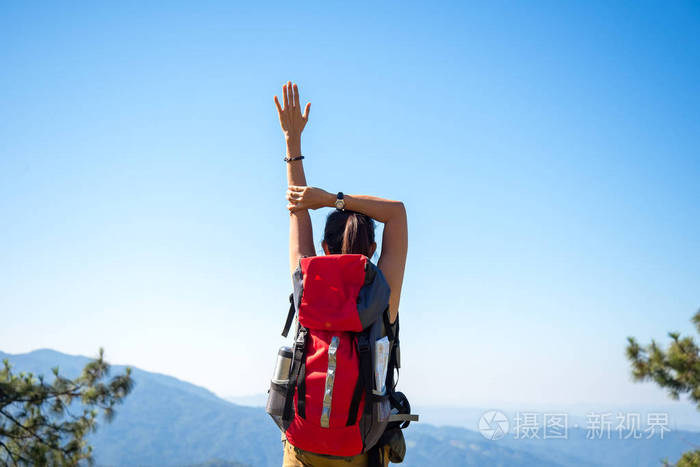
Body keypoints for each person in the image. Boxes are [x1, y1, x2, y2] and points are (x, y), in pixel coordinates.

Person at [274, 81, 408, 466]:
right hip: (359, 451)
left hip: (301, 446)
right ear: (372, 250)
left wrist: (292, 143)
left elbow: (296, 207)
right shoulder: (384, 294)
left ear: (326, 250)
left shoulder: (307, 283)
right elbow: (396, 213)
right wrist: (333, 199)